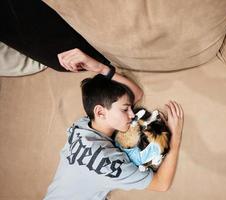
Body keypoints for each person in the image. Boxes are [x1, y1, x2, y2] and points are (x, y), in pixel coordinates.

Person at [44, 50, 184, 200]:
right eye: (125, 110)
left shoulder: (83, 126)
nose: (132, 115)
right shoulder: (108, 163)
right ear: (100, 112)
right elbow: (161, 184)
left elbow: (136, 94)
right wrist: (175, 138)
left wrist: (100, 68)